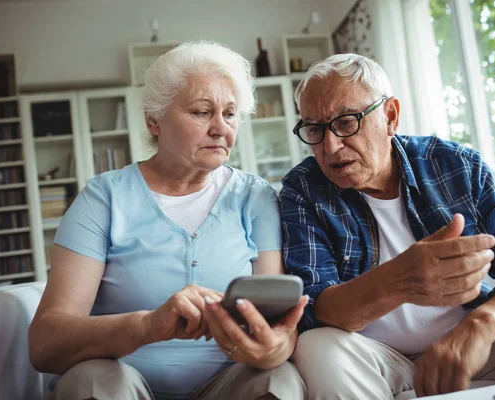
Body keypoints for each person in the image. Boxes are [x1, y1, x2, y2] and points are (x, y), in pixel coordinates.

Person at [280, 53, 495, 399]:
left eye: (347, 121)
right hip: (379, 362)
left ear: (390, 116)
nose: (330, 146)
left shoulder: (456, 165)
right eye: (314, 129)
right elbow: (313, 308)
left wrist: (483, 325)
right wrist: (401, 280)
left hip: (476, 349)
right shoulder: (304, 189)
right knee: (316, 347)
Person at [28, 41, 307, 400]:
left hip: (230, 386)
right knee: (94, 379)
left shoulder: (255, 197)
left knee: (280, 380)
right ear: (153, 120)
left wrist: (275, 349)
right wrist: (146, 325)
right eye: (202, 112)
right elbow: (45, 343)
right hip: (123, 383)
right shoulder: (104, 199)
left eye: (231, 114)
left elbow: (277, 328)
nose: (221, 128)